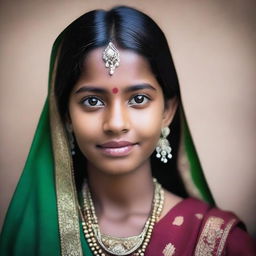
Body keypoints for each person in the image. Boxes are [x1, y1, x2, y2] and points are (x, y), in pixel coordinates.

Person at [0, 5, 255, 256]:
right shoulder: (32, 237)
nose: (116, 123)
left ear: (167, 111)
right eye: (92, 101)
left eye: (139, 99)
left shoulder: (222, 242)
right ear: (65, 116)